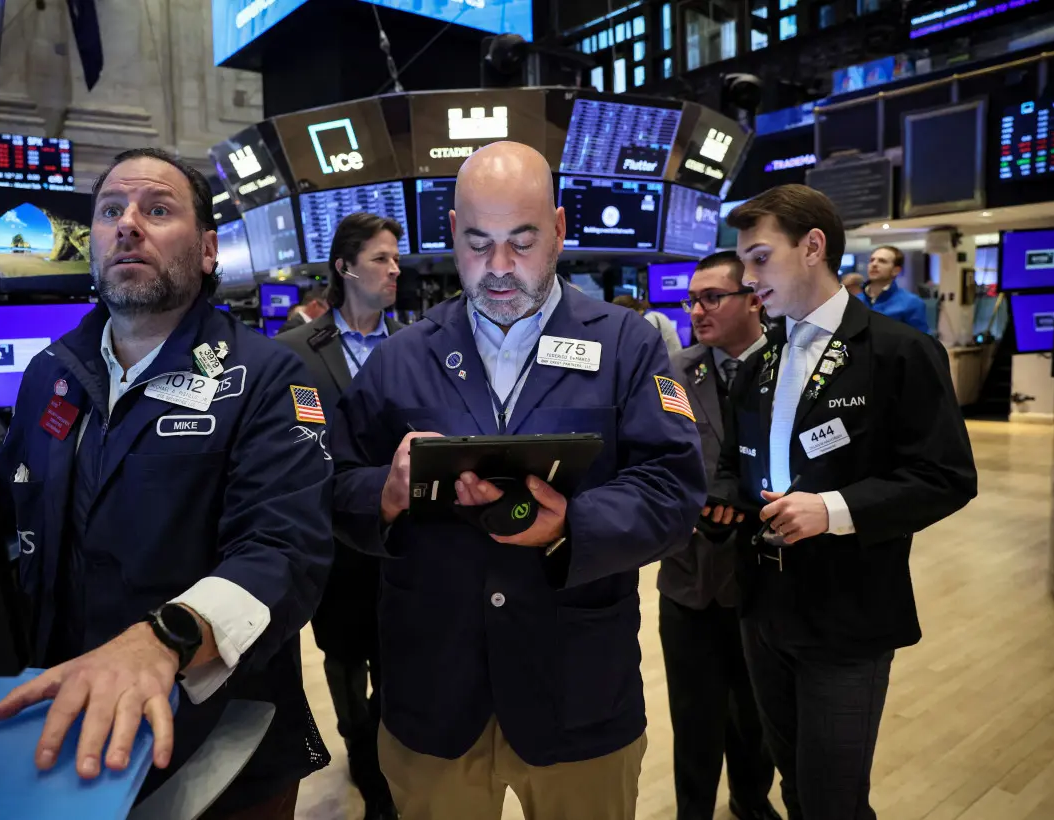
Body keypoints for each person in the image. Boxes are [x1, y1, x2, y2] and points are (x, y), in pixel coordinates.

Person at [329, 141, 707, 820]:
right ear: (450, 234)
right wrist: (385, 493)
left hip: (578, 690)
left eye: (522, 241)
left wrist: (572, 526)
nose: (499, 267)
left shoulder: (629, 345)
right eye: (477, 243)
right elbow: (335, 484)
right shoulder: (400, 357)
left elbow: (674, 487)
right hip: (433, 692)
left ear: (560, 228)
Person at [0, 148, 334, 819]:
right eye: (112, 210)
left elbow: (285, 550)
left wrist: (165, 637)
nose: (128, 224)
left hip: (219, 745)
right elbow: (3, 518)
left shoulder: (268, 378)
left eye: (158, 209)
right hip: (64, 724)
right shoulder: (50, 375)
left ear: (208, 251)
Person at [707, 184, 977, 820]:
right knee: (796, 785)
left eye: (759, 258)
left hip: (847, 613)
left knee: (834, 799)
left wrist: (830, 510)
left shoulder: (899, 351)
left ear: (813, 248)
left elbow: (946, 476)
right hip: (763, 608)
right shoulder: (758, 363)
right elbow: (733, 465)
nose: (748, 279)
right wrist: (717, 501)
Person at [275, 212, 404, 820]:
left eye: (395, 259)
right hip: (335, 542)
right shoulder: (296, 352)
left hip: (407, 538)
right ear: (345, 266)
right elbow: (285, 449)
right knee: (346, 657)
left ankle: (384, 755)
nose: (394, 269)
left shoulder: (414, 344)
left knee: (402, 657)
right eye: (381, 258)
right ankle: (359, 748)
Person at [659, 251, 780, 820]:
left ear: (754, 298)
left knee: (757, 712)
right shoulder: (674, 372)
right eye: (692, 299)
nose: (697, 310)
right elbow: (660, 459)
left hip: (768, 577)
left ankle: (752, 801)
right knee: (694, 713)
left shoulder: (792, 368)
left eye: (713, 297)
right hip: (690, 575)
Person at [857, 245, 929, 334]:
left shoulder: (912, 303)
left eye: (882, 261)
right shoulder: (855, 301)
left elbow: (922, 342)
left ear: (896, 270)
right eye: (872, 260)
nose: (874, 264)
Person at [613, 293, 684, 355]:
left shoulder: (650, 319)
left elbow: (643, 350)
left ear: (630, 310)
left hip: (670, 366)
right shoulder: (651, 315)